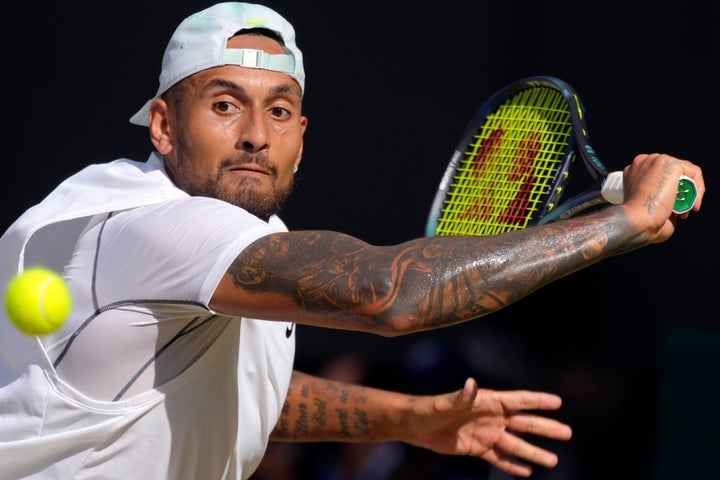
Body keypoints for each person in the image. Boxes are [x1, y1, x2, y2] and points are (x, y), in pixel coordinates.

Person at [0, 2, 704, 480]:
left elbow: (245, 395)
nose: (254, 134)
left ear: (301, 138)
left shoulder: (239, 242)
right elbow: (393, 296)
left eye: (278, 110)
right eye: (223, 105)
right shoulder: (151, 224)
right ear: (162, 126)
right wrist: (625, 223)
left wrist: (407, 418)